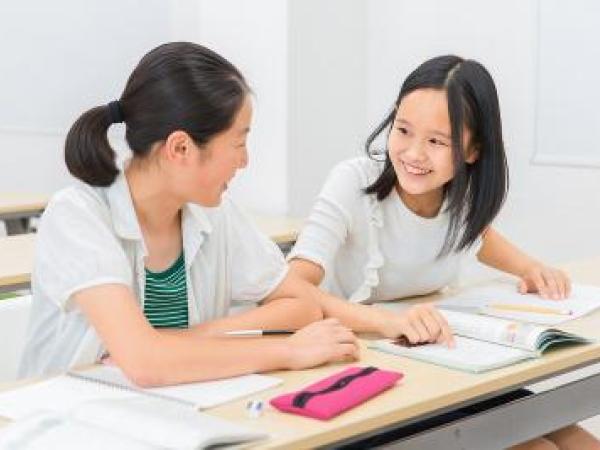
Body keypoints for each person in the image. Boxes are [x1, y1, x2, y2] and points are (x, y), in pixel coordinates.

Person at [289, 55, 599, 450]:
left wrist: (530, 267)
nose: (414, 153)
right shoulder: (353, 182)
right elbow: (293, 288)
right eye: (403, 130)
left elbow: (481, 238)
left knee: (576, 440)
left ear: (472, 151)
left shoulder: (458, 196)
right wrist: (386, 322)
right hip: (365, 370)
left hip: (440, 364)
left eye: (436, 141)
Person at [18, 42, 360, 386]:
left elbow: (301, 304)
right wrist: (288, 351)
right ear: (180, 148)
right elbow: (145, 362)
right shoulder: (77, 215)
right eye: (239, 143)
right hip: (74, 411)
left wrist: (195, 337)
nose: (245, 161)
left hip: (179, 404)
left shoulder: (214, 213)